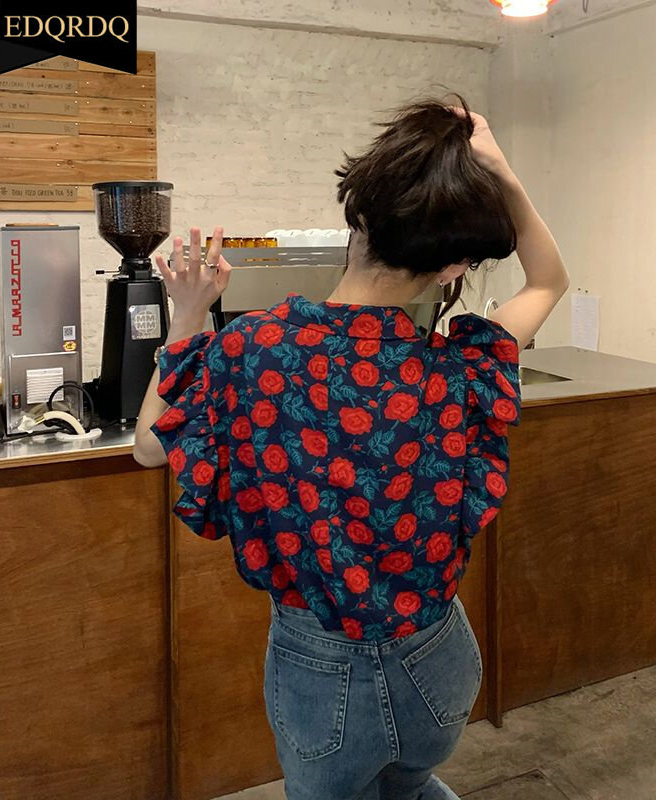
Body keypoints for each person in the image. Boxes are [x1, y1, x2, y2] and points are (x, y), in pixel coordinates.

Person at [133, 95, 569, 800]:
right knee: (412, 784)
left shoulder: (252, 351)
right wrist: (500, 173)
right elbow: (549, 279)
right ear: (454, 266)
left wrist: (186, 313)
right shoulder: (461, 366)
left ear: (357, 215)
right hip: (439, 661)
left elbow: (150, 448)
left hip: (319, 672)